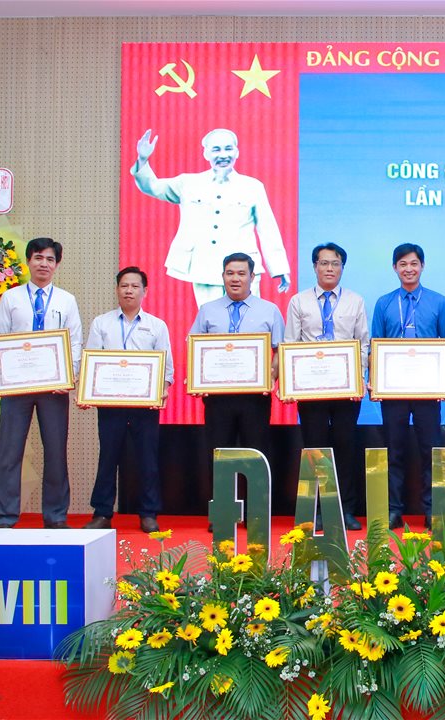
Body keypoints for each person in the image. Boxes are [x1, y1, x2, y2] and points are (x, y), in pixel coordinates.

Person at [131, 128, 291, 305]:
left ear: (236, 152)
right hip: (205, 267)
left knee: (249, 318)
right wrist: (142, 159)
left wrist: (279, 268)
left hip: (244, 268)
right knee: (211, 319)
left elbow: (267, 228)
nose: (223, 155)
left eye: (228, 149)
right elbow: (153, 187)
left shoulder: (252, 186)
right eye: (216, 150)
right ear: (206, 154)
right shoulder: (188, 183)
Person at [0, 237, 82, 529]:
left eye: (50, 259)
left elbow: (75, 341)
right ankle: (5, 517)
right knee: (9, 452)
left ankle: (56, 516)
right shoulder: (11, 298)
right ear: (28, 261)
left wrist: (70, 376)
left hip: (54, 388)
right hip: (15, 388)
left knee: (55, 452)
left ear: (57, 265)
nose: (44, 264)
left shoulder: (66, 300)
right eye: (38, 258)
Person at [81, 267, 174, 533]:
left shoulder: (156, 325)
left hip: (145, 404)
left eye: (134, 286)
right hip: (110, 404)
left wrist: (162, 390)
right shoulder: (102, 323)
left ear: (145, 291)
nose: (129, 291)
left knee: (147, 458)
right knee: (108, 457)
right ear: (117, 290)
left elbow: (166, 367)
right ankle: (102, 513)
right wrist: (87, 391)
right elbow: (91, 361)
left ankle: (148, 513)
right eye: (124, 286)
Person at [284, 242, 369, 531]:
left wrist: (358, 380)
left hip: (346, 390)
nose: (329, 268)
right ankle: (317, 511)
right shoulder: (299, 301)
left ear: (342, 268)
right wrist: (291, 385)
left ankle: (345, 510)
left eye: (335, 263)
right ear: (315, 267)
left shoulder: (355, 301)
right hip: (311, 390)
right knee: (315, 450)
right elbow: (291, 344)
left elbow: (363, 344)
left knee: (346, 448)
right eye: (324, 263)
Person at [370, 243, 445, 530]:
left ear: (422, 266)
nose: (409, 269)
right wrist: (375, 380)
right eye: (403, 264)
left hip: (428, 390)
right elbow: (375, 345)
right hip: (392, 391)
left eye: (414, 263)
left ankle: (433, 510)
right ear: (395, 267)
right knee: (394, 450)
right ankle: (393, 510)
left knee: (432, 450)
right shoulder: (383, 303)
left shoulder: (439, 302)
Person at [189, 253, 284, 482]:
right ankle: (222, 505)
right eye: (230, 273)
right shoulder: (207, 310)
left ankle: (257, 505)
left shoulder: (269, 310)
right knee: (219, 454)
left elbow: (280, 350)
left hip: (255, 398)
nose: (235, 278)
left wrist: (271, 377)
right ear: (222, 276)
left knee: (257, 454)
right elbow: (195, 348)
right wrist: (197, 379)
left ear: (252, 277)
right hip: (218, 398)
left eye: (241, 273)